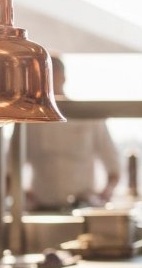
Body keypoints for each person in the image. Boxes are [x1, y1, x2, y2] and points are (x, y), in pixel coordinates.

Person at [21, 56, 121, 210]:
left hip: (83, 207)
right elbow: (11, 166)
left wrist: (103, 197)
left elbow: (114, 167)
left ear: (64, 77)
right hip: (42, 209)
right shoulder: (30, 120)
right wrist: (22, 194)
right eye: (44, 77)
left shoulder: (88, 115)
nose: (50, 82)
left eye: (53, 75)